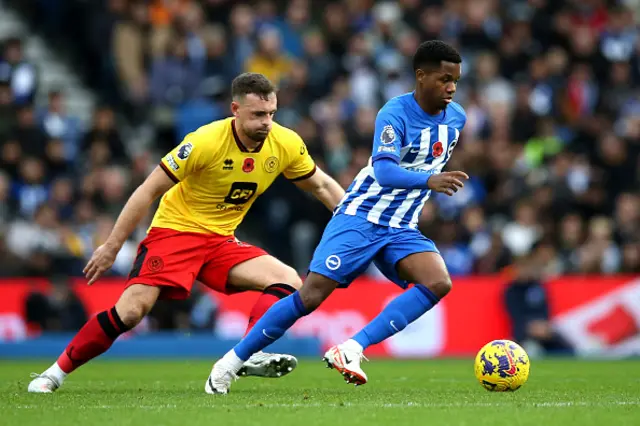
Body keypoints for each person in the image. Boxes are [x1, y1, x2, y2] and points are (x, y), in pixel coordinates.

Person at [28, 73, 345, 393]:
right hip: (175, 233)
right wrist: (111, 246)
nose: (267, 123)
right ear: (235, 109)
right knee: (131, 312)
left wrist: (357, 219)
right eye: (258, 115)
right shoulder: (205, 141)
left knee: (288, 280)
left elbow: (320, 183)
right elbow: (146, 191)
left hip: (221, 241)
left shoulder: (285, 142)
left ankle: (247, 354)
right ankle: (54, 373)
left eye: (271, 114)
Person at [207, 40, 469, 394]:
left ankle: (351, 348)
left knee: (438, 282)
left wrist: (428, 184)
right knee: (310, 295)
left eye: (455, 80)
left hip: (401, 226)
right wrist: (429, 180)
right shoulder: (394, 113)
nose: (451, 87)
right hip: (361, 216)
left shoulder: (457, 118)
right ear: (421, 76)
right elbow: (386, 172)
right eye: (444, 79)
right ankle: (229, 364)